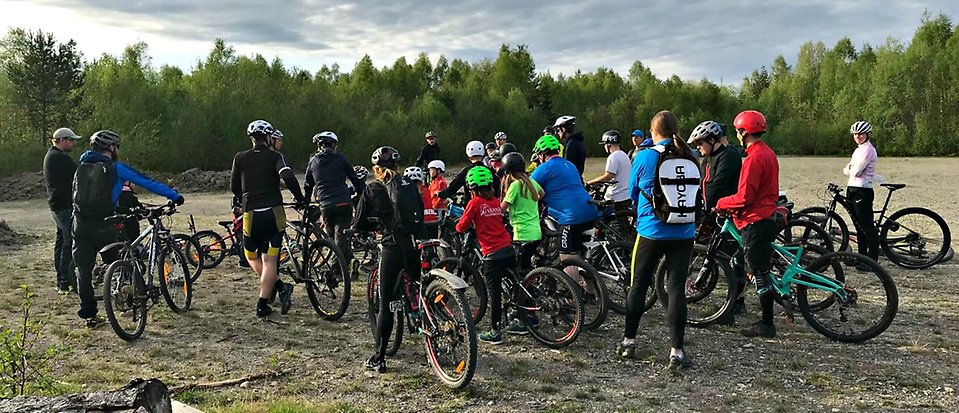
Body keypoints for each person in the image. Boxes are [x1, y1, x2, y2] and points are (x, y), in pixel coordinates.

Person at [72, 130, 184, 327]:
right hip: (105, 223)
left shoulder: (81, 166)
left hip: (80, 223)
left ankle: (90, 315)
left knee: (83, 270)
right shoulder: (115, 167)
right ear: (112, 148)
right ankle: (133, 299)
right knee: (125, 260)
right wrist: (174, 196)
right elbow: (147, 181)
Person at [618, 110, 697, 372]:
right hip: (684, 232)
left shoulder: (645, 156)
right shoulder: (690, 155)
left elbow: (632, 192)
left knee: (638, 284)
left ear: (653, 131)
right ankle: (677, 351)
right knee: (676, 289)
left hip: (651, 231)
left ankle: (629, 341)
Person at [353, 146, 425, 372]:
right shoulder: (408, 185)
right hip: (414, 243)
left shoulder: (374, 188)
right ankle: (420, 315)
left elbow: (359, 222)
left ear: (376, 169)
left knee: (385, 304)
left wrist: (360, 231)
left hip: (392, 246)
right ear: (397, 167)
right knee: (416, 283)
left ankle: (379, 357)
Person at [231, 120, 308, 318]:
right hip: (274, 213)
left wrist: (242, 198)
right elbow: (288, 176)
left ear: (251, 139)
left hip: (252, 214)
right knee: (270, 260)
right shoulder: (275, 156)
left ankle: (278, 288)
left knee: (250, 256)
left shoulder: (240, 158)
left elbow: (234, 187)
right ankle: (263, 303)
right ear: (268, 137)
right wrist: (300, 199)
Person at [715, 110, 780, 339]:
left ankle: (766, 323)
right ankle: (736, 306)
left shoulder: (754, 158)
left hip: (755, 220)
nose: (736, 135)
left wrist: (721, 203)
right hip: (765, 216)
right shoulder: (767, 152)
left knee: (759, 273)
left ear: (744, 132)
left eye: (737, 131)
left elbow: (744, 197)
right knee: (743, 262)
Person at [530, 134, 597, 299]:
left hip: (571, 216)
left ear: (542, 154)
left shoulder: (544, 168)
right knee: (581, 253)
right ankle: (590, 292)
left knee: (567, 255)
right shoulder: (569, 165)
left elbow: (527, 189)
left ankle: (573, 296)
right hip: (589, 209)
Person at [455, 167, 514, 345]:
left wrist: (458, 226)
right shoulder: (495, 201)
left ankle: (495, 330)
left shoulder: (474, 203)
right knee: (512, 283)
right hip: (507, 248)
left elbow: (462, 226)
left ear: (470, 188)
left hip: (492, 253)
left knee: (494, 292)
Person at [304, 131, 366, 266]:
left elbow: (308, 184)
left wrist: (305, 200)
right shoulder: (340, 158)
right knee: (341, 238)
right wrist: (360, 191)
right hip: (344, 201)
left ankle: (339, 267)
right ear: (333, 144)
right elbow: (354, 176)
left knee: (333, 239)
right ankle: (341, 265)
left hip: (326, 205)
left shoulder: (313, 161)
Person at [44, 127, 81, 293]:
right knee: (69, 243)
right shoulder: (59, 158)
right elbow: (79, 173)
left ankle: (61, 280)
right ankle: (65, 281)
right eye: (71, 140)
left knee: (61, 242)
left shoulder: (52, 155)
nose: (73, 143)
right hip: (64, 206)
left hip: (57, 205)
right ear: (62, 140)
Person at [500, 152, 543, 272]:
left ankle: (525, 289)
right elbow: (542, 194)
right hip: (536, 233)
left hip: (522, 234)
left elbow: (501, 209)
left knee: (518, 269)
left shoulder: (515, 186)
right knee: (527, 266)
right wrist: (531, 203)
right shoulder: (532, 182)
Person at [843, 121, 879, 261]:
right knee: (858, 226)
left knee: (867, 226)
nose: (858, 136)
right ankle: (861, 257)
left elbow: (856, 171)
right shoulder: (859, 149)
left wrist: (850, 169)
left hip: (862, 189)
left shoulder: (868, 150)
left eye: (861, 134)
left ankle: (872, 259)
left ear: (867, 135)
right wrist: (850, 169)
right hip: (852, 188)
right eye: (855, 134)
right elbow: (847, 170)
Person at [586, 130, 633, 236]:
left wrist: (591, 182)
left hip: (616, 196)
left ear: (608, 144)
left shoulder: (613, 156)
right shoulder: (624, 155)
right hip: (626, 194)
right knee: (623, 224)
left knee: (612, 224)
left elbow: (609, 176)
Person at [688, 121, 741, 213]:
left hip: (724, 210)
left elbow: (719, 184)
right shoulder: (706, 160)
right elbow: (701, 184)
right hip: (709, 208)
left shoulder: (727, 155)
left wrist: (705, 207)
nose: (697, 147)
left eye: (700, 143)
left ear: (711, 140)